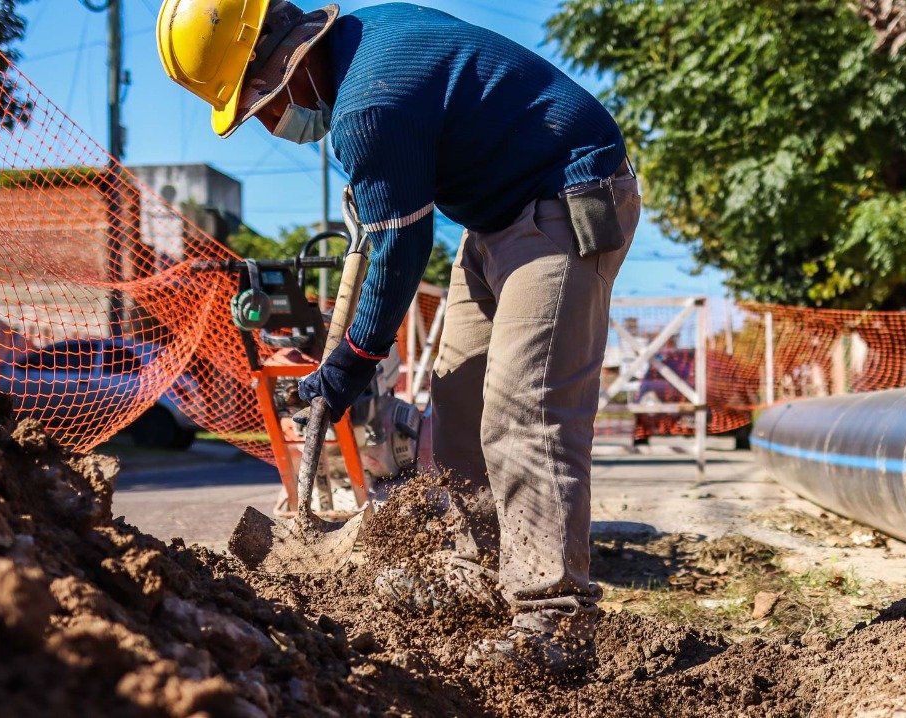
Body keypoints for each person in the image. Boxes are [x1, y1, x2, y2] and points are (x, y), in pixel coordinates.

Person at [157, 0, 640, 673]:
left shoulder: (367, 104)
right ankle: (478, 570)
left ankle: (553, 618)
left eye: (259, 105)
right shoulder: (364, 44)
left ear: (286, 66)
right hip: (496, 216)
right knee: (461, 402)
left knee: (527, 408)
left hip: (567, 193)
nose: (270, 125)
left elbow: (401, 253)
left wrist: (347, 367)